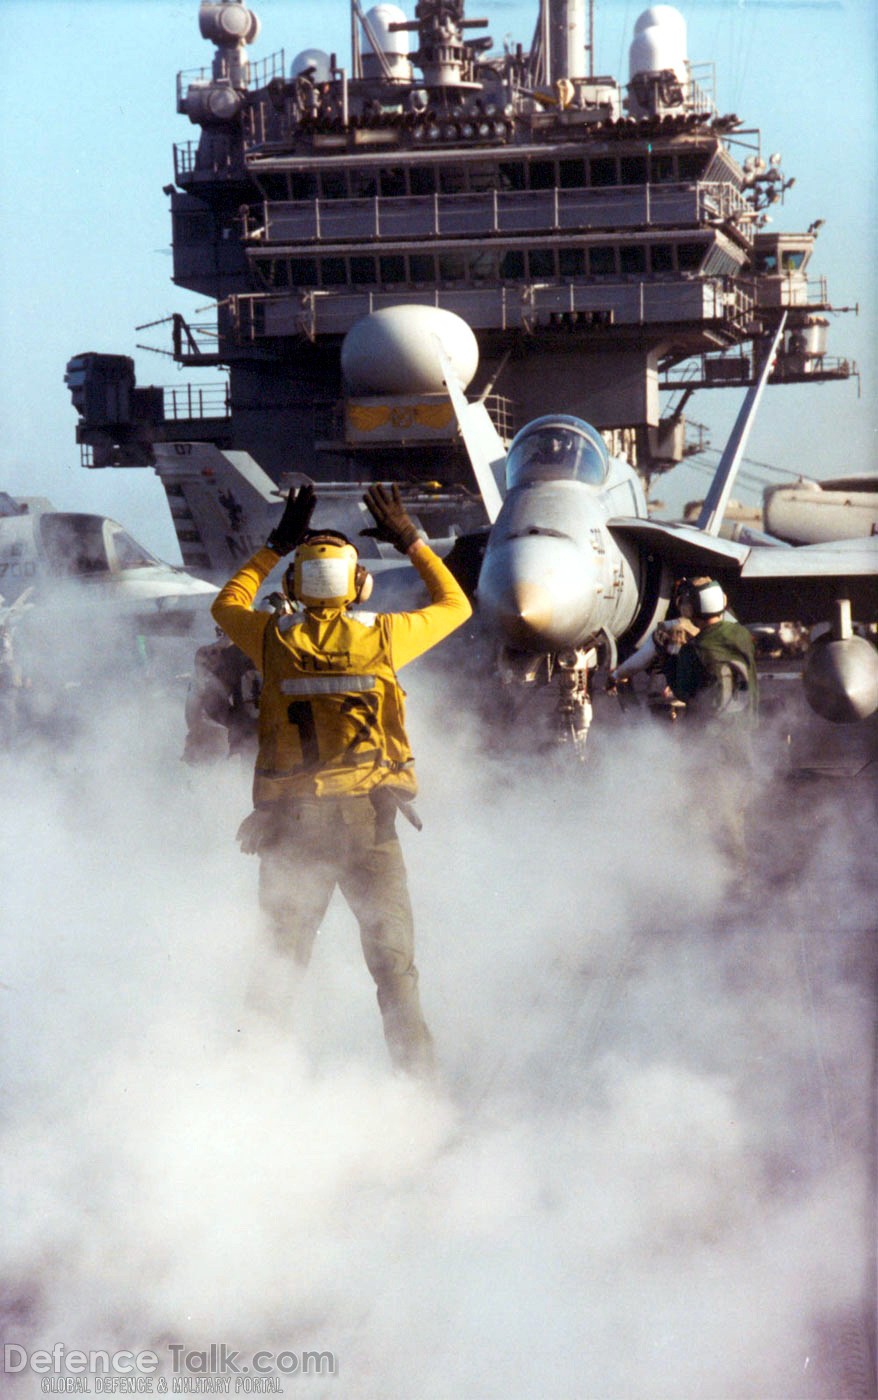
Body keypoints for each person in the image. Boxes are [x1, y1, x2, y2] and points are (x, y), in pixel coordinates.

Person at [211, 481, 472, 1076]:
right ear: (360, 586)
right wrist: (410, 539)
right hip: (368, 828)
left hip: (291, 828)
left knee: (278, 965)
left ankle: (251, 1088)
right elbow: (456, 605)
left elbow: (226, 605)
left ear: (295, 589)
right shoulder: (381, 638)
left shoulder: (274, 641)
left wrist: (275, 544)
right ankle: (419, 1094)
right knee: (393, 969)